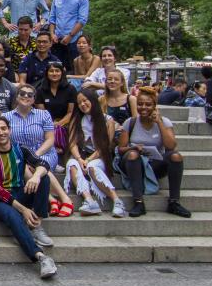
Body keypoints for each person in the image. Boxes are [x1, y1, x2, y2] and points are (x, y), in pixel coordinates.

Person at [0, 116, 58, 279]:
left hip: (20, 191)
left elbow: (43, 164)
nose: (1, 132)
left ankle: (36, 225)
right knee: (13, 215)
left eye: (3, 128)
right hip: (0, 200)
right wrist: (23, 210)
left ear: (9, 130)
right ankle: (41, 257)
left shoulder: (21, 149)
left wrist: (35, 176)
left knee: (44, 178)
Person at [118, 87, 191, 218]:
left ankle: (174, 202)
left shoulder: (164, 122)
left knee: (176, 156)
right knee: (133, 155)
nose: (143, 107)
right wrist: (133, 148)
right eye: (140, 104)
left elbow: (171, 146)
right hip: (134, 162)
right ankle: (138, 202)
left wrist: (159, 122)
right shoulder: (130, 122)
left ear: (154, 106)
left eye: (148, 104)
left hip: (154, 163)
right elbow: (121, 149)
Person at [5, 83, 74, 216]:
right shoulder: (7, 117)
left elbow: (50, 139)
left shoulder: (43, 114)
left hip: (43, 151)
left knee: (40, 164)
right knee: (23, 165)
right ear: (17, 97)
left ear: (34, 99)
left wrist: (34, 156)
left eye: (30, 95)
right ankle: (51, 199)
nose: (26, 96)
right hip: (20, 154)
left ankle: (65, 199)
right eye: (22, 93)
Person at [64, 89, 127, 217]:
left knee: (92, 167)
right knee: (71, 164)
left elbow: (105, 146)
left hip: (100, 156)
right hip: (81, 155)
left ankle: (117, 201)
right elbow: (72, 143)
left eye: (85, 100)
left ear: (92, 100)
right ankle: (89, 200)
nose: (82, 104)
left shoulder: (107, 120)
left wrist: (88, 160)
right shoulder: (76, 119)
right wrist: (79, 159)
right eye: (79, 102)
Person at [48, 0, 90, 69]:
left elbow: (82, 20)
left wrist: (70, 36)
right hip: (57, 41)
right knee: (55, 68)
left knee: (73, 68)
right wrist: (52, 34)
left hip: (73, 41)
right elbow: (52, 18)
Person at [34, 61, 77, 145]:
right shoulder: (40, 90)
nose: (54, 73)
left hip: (66, 123)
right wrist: (50, 125)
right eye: (51, 71)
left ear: (62, 73)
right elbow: (42, 113)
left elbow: (70, 112)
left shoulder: (70, 89)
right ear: (47, 73)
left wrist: (58, 124)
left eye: (57, 71)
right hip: (46, 124)